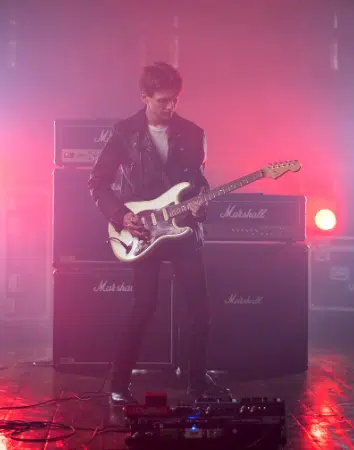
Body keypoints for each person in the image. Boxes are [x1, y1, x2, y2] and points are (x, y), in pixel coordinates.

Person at [88, 62, 230, 405]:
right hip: (144, 229)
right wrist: (122, 216)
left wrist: (201, 204)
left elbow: (198, 182)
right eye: (163, 100)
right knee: (144, 307)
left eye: (175, 100)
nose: (170, 106)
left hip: (183, 231)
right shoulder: (125, 132)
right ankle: (119, 384)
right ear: (145, 96)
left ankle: (197, 383)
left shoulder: (193, 132)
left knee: (200, 310)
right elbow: (97, 183)